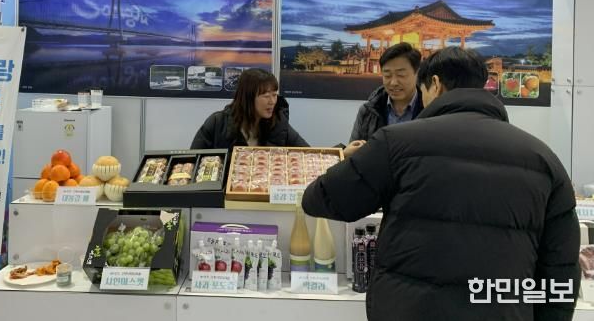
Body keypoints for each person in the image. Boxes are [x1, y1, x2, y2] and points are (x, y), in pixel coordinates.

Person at [303, 47, 580, 321]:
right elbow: (561, 266)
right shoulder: (544, 159)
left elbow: (320, 199)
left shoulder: (395, 143)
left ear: (435, 84)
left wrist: (350, 159)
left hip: (410, 310)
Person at [191, 68, 309, 149]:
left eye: (274, 95)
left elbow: (308, 154)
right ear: (248, 98)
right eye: (266, 96)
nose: (272, 101)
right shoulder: (217, 123)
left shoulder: (279, 122)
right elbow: (192, 162)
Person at [344, 42, 423, 157]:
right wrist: (346, 154)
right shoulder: (368, 111)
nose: (393, 82)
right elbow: (353, 154)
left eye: (401, 75)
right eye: (387, 76)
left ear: (417, 73)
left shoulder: (430, 110)